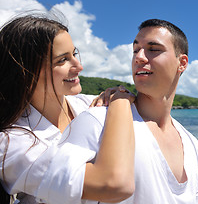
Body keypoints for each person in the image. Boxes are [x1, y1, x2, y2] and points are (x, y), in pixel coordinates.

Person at [53, 19, 198, 204]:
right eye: (135, 50)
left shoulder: (191, 143)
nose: (139, 57)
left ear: (182, 63)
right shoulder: (98, 121)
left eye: (153, 49)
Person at [0, 14, 135, 204]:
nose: (79, 66)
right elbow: (112, 185)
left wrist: (119, 93)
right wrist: (120, 102)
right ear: (25, 73)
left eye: (75, 54)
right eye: (62, 60)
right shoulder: (13, 144)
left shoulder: (86, 104)